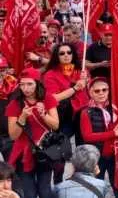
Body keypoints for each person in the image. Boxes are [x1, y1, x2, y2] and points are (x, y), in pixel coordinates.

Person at [78, 77, 118, 198]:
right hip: (97, 157)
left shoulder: (115, 109)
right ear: (90, 92)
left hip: (115, 154)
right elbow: (87, 136)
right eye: (97, 91)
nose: (101, 93)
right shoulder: (86, 112)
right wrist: (112, 134)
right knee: (96, 186)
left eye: (104, 90)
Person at [7, 68, 59, 198]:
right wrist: (22, 117)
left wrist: (44, 115)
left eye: (30, 84)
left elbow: (55, 125)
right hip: (23, 153)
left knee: (44, 191)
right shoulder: (15, 103)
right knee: (29, 193)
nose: (26, 88)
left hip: (44, 151)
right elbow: (13, 135)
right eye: (22, 84)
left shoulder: (48, 98)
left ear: (37, 83)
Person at [42, 43, 90, 139]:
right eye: (62, 53)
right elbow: (53, 98)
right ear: (57, 56)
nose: (66, 55)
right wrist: (74, 88)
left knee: (83, 146)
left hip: (83, 112)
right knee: (62, 144)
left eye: (69, 52)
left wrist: (87, 81)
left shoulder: (82, 71)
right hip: (65, 115)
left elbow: (92, 92)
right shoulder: (50, 74)